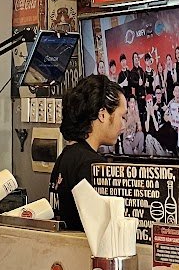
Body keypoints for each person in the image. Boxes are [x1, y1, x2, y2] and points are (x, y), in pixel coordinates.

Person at [49, 74, 126, 230]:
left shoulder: (65, 157)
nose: (123, 125)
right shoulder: (91, 166)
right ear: (102, 114)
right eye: (121, 116)